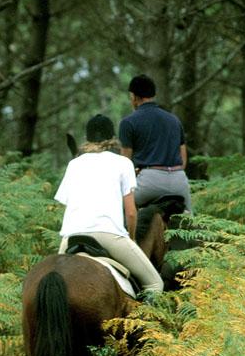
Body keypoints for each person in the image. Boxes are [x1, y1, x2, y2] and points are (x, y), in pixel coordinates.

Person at [54, 114, 164, 295]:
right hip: (108, 235)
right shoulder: (123, 163)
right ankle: (144, 323)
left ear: (87, 139)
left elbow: (66, 205)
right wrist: (132, 237)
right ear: (113, 138)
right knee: (155, 284)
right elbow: (130, 213)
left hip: (71, 237)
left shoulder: (74, 164)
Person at [118, 74, 192, 213]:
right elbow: (183, 159)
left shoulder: (128, 122)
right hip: (179, 181)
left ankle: (125, 235)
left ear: (134, 97)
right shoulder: (174, 120)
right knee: (192, 225)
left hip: (149, 182)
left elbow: (125, 164)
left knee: (120, 208)